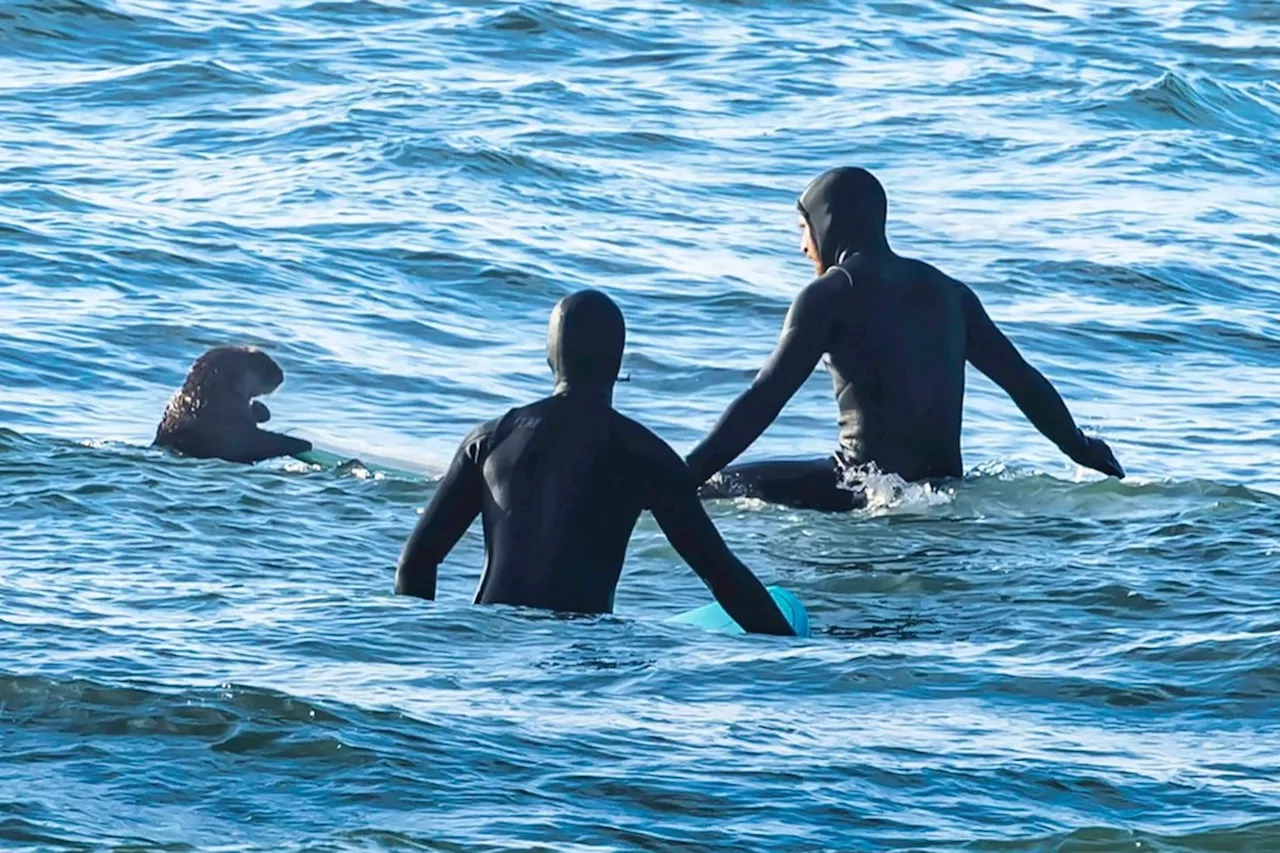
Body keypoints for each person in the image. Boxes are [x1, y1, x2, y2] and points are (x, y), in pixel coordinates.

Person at [687, 167, 1124, 512]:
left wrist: (686, 473)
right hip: (943, 487)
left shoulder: (829, 294)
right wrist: (1081, 447)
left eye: (803, 227)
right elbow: (1022, 381)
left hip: (866, 487)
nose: (802, 245)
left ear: (828, 222)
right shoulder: (951, 292)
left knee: (717, 487)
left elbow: (764, 397)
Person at [395, 289, 795, 636]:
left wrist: (426, 652)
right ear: (617, 364)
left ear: (551, 357)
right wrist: (793, 651)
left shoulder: (490, 439)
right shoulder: (646, 454)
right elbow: (721, 574)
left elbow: (416, 563)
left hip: (493, 642)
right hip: (583, 652)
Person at [154, 346, 312, 464]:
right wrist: (296, 445)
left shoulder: (181, 403)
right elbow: (241, 446)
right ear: (242, 377)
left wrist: (251, 414)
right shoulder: (222, 408)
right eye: (253, 393)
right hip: (202, 463)